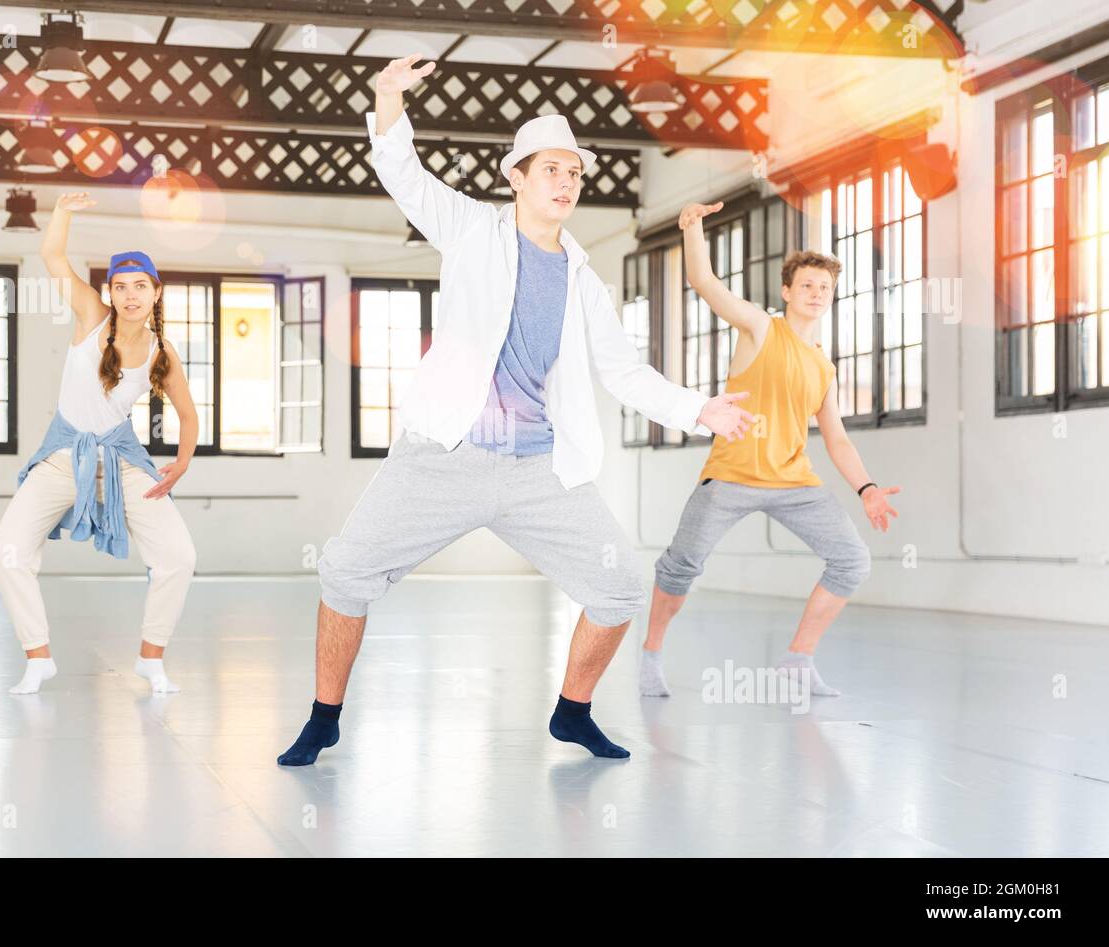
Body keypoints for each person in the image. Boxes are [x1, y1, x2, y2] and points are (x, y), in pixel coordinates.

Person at [276, 56, 754, 766]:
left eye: (575, 172)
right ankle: (322, 718)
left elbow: (623, 369)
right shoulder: (473, 231)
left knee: (620, 583)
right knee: (345, 571)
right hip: (442, 456)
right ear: (517, 177)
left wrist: (697, 408)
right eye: (552, 169)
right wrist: (385, 96)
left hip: (537, 466)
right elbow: (404, 175)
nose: (566, 182)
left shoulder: (584, 280)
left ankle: (572, 712)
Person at [640, 199, 902, 700]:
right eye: (806, 285)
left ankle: (797, 660)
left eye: (824, 287)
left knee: (852, 562)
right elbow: (705, 283)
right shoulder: (761, 328)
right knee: (681, 567)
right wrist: (692, 229)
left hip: (793, 483)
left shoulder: (824, 367)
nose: (816, 293)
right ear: (787, 291)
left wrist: (866, 487)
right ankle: (651, 653)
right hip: (732, 476)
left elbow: (838, 437)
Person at [0, 192, 198, 695]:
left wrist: (182, 463)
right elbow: (52, 257)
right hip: (62, 460)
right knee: (8, 553)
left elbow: (189, 415)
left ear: (155, 291)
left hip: (123, 464)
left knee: (179, 556)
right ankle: (38, 657)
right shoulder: (91, 315)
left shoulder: (161, 351)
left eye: (140, 286)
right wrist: (62, 210)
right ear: (109, 291)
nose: (130, 295)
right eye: (121, 286)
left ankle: (152, 658)